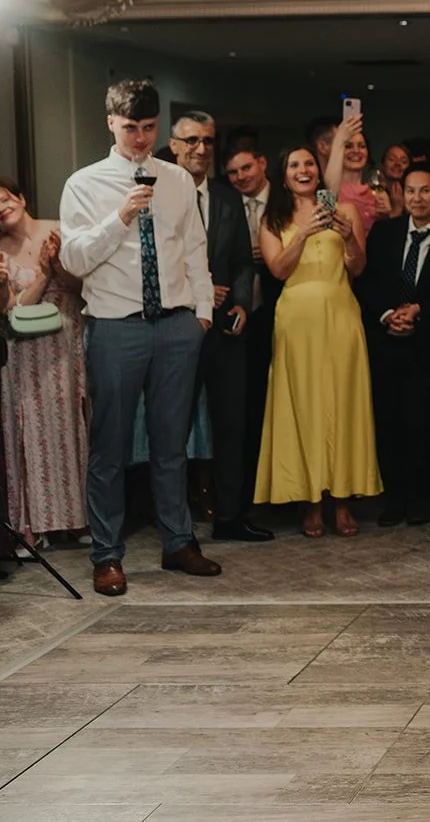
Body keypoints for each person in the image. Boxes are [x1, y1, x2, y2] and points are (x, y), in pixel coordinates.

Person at [58, 79, 222, 597]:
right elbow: (75, 260)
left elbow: (194, 247)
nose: (139, 138)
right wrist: (121, 215)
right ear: (110, 122)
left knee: (172, 444)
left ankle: (178, 542)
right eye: (130, 128)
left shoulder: (176, 179)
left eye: (148, 128)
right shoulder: (83, 184)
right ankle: (107, 555)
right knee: (109, 445)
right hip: (114, 326)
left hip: (176, 325)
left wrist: (200, 315)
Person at [255, 146, 381, 537]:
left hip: (341, 316)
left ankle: (342, 502)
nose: (303, 170)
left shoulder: (345, 212)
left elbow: (358, 267)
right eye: (294, 165)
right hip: (296, 322)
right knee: (305, 406)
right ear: (284, 174)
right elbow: (277, 269)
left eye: (309, 163)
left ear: (319, 170)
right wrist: (304, 232)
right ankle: (311, 504)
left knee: (342, 405)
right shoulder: (274, 218)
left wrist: (349, 239)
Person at [169, 111, 271, 544]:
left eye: (208, 141)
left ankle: (230, 517)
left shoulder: (228, 198)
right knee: (173, 428)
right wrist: (199, 290)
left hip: (228, 330)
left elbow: (243, 263)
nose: (201, 149)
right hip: (178, 327)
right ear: (174, 145)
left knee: (233, 425)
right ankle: (175, 526)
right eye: (191, 140)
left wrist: (244, 303)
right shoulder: (160, 195)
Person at [0, 176, 89, 546]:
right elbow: (12, 310)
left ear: (22, 198)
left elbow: (84, 289)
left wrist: (58, 264)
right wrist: (44, 274)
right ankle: (34, 525)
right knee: (26, 431)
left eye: (6, 199)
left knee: (73, 427)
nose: (1, 209)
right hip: (23, 351)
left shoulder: (59, 230)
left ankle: (77, 520)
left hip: (68, 343)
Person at [356, 164, 430, 526]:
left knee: (418, 422)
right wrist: (387, 314)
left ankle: (418, 499)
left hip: (425, 342)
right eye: (411, 191)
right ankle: (394, 499)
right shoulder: (384, 233)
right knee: (386, 420)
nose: (417, 198)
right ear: (402, 194)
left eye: (425, 191)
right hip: (385, 339)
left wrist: (419, 309)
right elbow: (367, 283)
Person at [223, 144, 275, 504]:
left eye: (246, 168)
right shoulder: (227, 206)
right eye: (233, 172)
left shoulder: (286, 201)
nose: (241, 177)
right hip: (241, 315)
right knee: (247, 406)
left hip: (280, 310)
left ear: (262, 163)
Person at [380, 144, 411, 220]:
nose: (397, 163)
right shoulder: (373, 193)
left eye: (404, 161)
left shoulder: (414, 196)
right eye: (391, 159)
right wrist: (396, 210)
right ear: (383, 165)